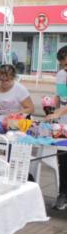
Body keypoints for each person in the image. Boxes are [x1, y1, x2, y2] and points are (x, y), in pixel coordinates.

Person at [44, 46, 67, 209]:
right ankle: (63, 194)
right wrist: (51, 107)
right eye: (63, 65)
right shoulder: (61, 75)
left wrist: (57, 113)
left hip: (62, 115)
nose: (65, 68)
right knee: (62, 159)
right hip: (63, 122)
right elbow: (60, 97)